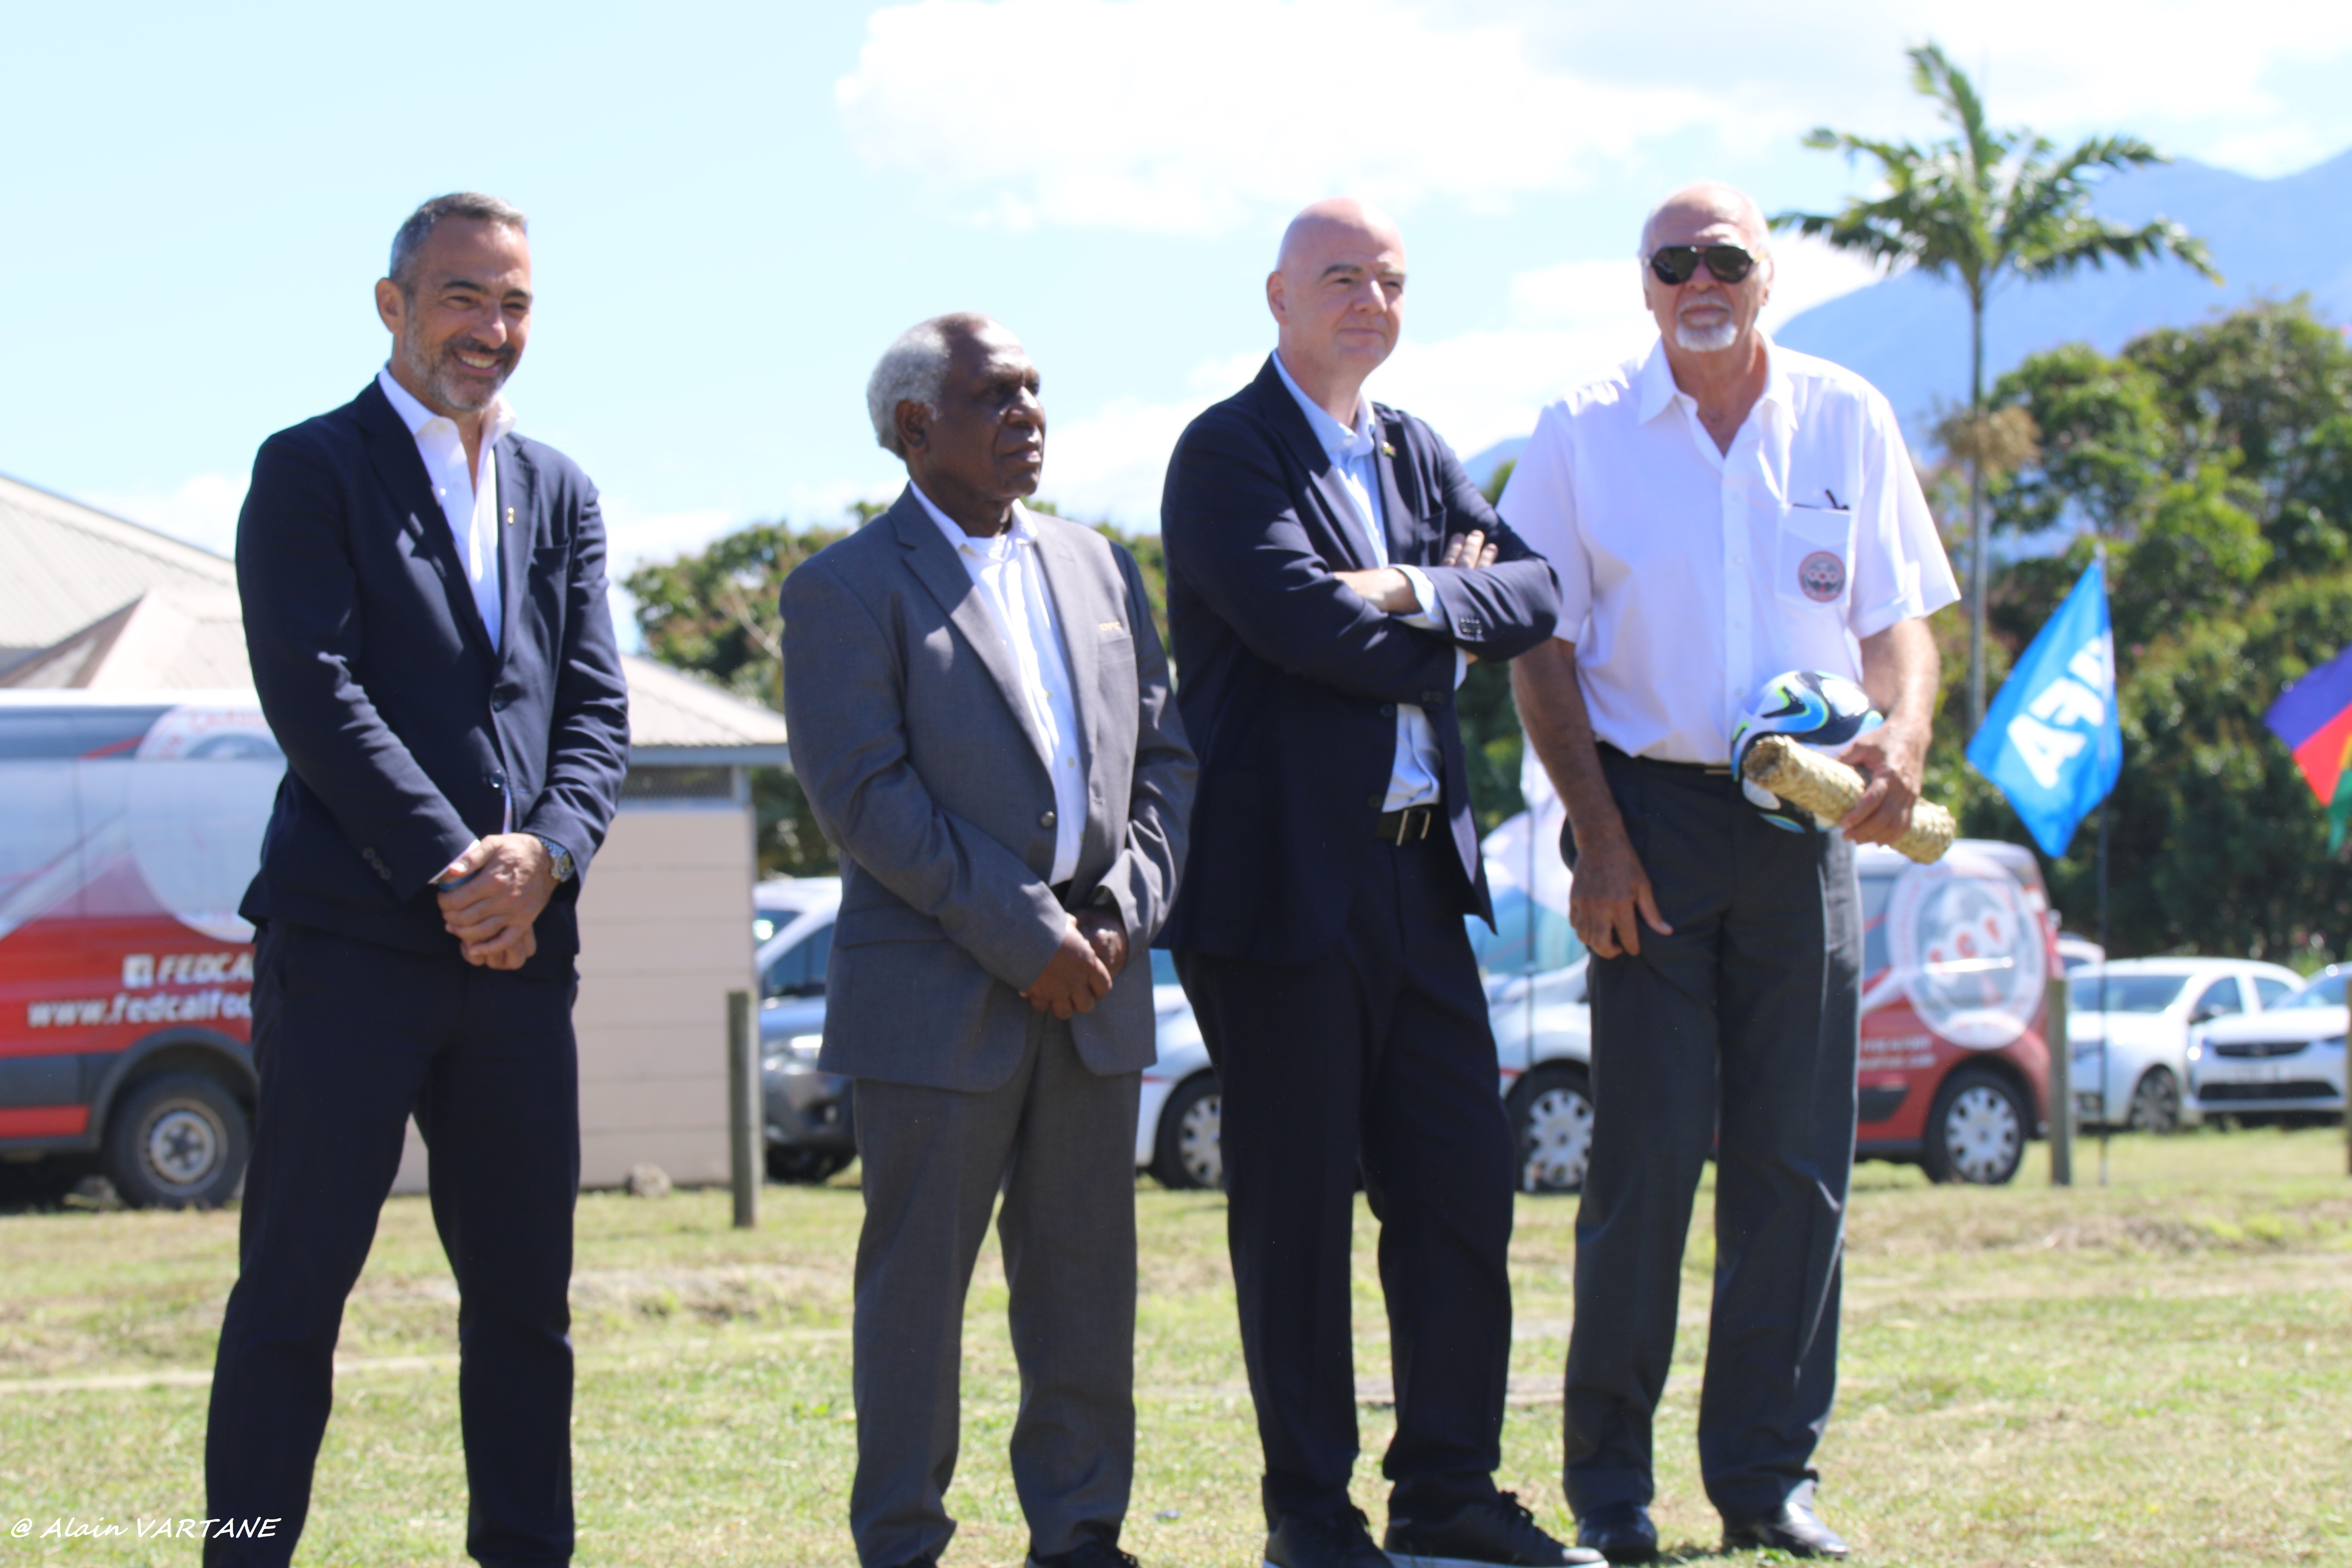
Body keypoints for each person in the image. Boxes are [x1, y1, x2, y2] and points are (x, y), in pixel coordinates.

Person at [1501, 183, 1959, 1562]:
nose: (1700, 278)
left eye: (1728, 259)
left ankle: (1766, 1484)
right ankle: (1613, 1497)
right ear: (1644, 284)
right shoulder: (1580, 432)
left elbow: (1902, 624)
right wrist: (1597, 838)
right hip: (1645, 817)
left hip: (1802, 826)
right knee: (1641, 1167)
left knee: (1798, 1167)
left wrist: (1905, 740)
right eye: (1672, 261)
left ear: (1772, 275)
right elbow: (1538, 650)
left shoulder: (1846, 414)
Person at [1161, 199, 1587, 1568]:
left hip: (1419, 888)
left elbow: (1533, 592)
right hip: (1280, 894)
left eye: (1392, 279)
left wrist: (1402, 591)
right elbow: (1301, 628)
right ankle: (1311, 1516)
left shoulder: (1413, 448)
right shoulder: (1224, 453)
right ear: (1277, 295)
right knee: (1295, 1217)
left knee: (1462, 1194)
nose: (1371, 299)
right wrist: (1435, 619)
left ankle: (1449, 1492)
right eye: (1342, 276)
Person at [206, 193, 630, 1566]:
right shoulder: (311, 469)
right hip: (352, 948)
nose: (491, 330)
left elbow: (595, 713)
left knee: (525, 1306)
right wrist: (460, 867)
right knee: (294, 1291)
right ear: (391, 305)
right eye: (462, 297)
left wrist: (547, 858)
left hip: (521, 960)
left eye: (513, 304)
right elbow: (314, 691)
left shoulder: (559, 489)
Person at [781, 314, 1194, 1568]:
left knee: (1083, 1289)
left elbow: (1167, 761)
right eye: (994, 396)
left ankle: (1081, 1534)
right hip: (939, 992)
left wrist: (1118, 914)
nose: (1029, 416)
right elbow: (868, 798)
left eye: (1034, 393)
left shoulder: (1102, 566)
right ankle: (904, 1539)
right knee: (917, 1292)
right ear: (916, 427)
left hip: (1100, 982)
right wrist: (1031, 936)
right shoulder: (842, 588)